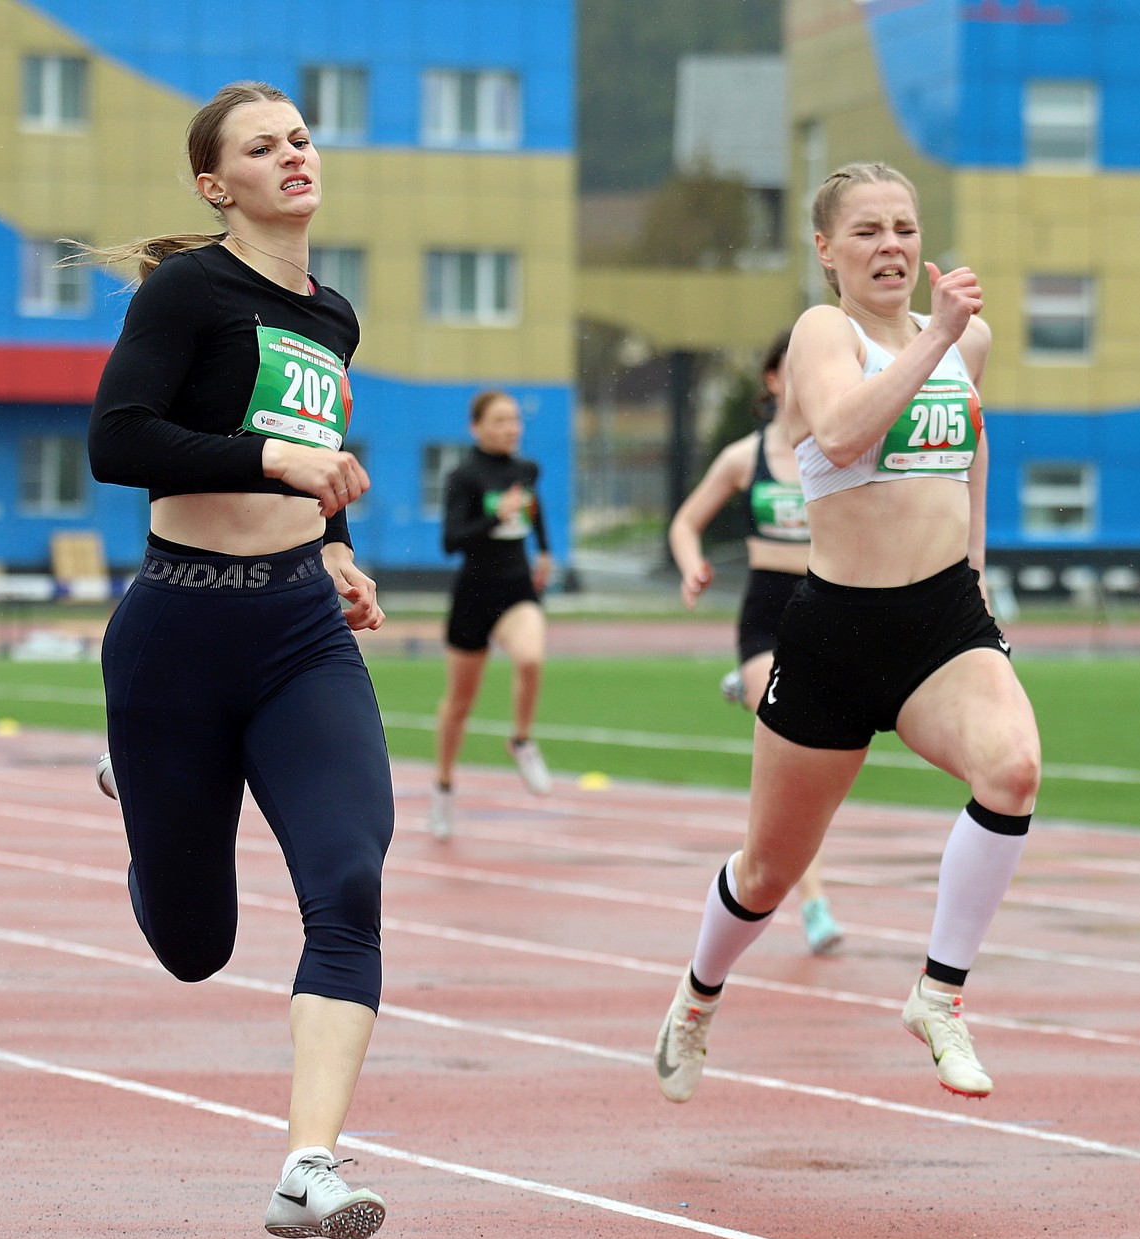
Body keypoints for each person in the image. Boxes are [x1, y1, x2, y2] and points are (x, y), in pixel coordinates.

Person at [652, 162, 1041, 1103]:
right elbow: (837, 435)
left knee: (1015, 767)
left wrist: (981, 567)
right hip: (834, 630)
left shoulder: (965, 339)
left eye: (904, 228)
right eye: (866, 231)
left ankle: (938, 995)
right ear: (825, 250)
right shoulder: (824, 333)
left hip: (942, 619)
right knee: (770, 868)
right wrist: (937, 336)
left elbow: (974, 440)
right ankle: (699, 994)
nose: (892, 247)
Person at [86, 80, 392, 1239]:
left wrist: (339, 546)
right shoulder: (187, 291)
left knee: (350, 879)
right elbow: (119, 440)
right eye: (263, 148)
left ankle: (307, 1160)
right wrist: (274, 463)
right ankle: (138, 772)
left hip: (297, 634)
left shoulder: (332, 312)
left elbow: (314, 454)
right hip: (176, 635)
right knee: (192, 946)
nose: (293, 156)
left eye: (301, 138)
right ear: (218, 186)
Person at [666, 331, 843, 955]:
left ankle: (751, 685)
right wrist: (692, 566)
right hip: (768, 612)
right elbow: (686, 522)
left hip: (830, 607)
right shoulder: (745, 457)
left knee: (823, 769)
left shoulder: (840, 446)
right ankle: (816, 903)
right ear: (772, 380)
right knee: (792, 771)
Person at [429, 390, 555, 838]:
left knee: (531, 659)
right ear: (476, 427)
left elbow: (534, 510)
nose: (511, 428)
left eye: (515, 420)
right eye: (500, 420)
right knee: (460, 703)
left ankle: (521, 740)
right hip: (473, 596)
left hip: (517, 588)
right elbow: (451, 541)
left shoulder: (526, 470)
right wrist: (494, 518)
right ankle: (443, 787)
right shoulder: (464, 475)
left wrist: (544, 551)